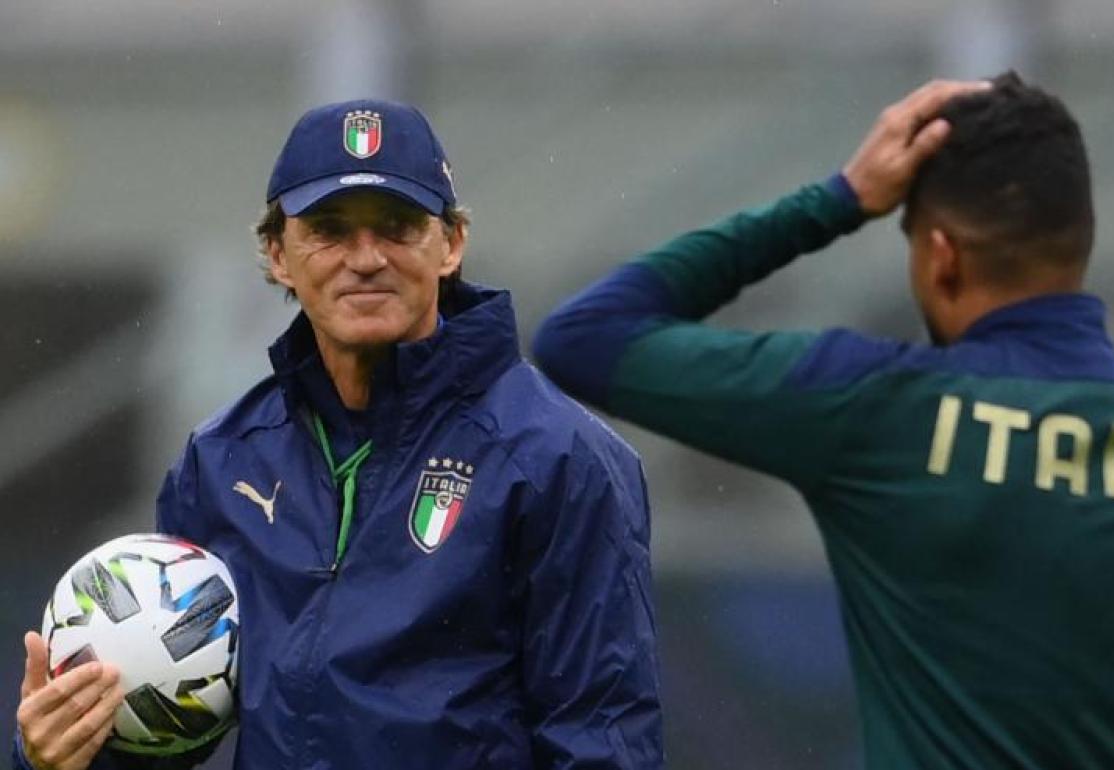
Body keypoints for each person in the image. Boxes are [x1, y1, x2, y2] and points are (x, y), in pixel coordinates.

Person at [533, 73, 1114, 769]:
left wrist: (838, 200)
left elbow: (585, 337)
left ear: (940, 255)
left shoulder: (875, 408)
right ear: (1081, 238)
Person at [15, 99, 664, 769]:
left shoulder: (558, 458)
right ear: (278, 255)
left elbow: (602, 741)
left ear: (451, 245)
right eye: (329, 229)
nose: (366, 258)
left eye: (397, 226)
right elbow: (166, 735)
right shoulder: (223, 460)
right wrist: (66, 753)